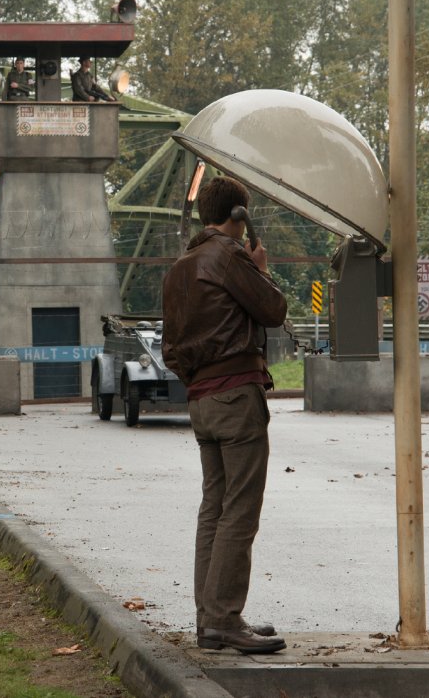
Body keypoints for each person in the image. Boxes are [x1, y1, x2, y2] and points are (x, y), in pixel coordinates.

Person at [161, 177, 288, 655]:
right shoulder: (229, 256)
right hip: (236, 396)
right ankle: (225, 620)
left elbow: (172, 347)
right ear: (238, 216)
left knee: (213, 509)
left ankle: (210, 618)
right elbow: (273, 310)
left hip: (201, 400)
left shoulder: (179, 267)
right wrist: (260, 269)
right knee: (239, 510)